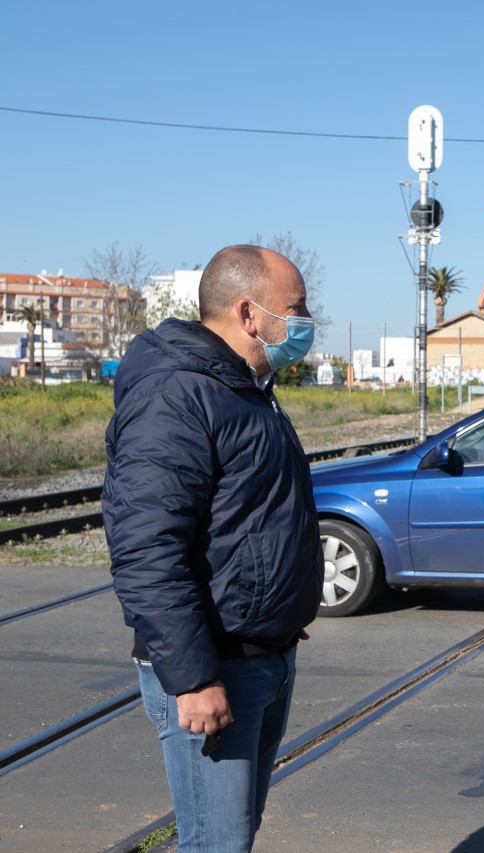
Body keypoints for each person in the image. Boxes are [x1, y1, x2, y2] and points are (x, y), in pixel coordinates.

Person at [104, 245, 323, 852]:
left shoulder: (248, 388)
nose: (307, 323)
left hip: (262, 653)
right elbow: (147, 549)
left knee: (234, 835)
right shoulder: (177, 394)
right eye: (297, 309)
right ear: (250, 314)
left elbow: (253, 518)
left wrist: (282, 611)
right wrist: (194, 679)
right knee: (215, 844)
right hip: (214, 664)